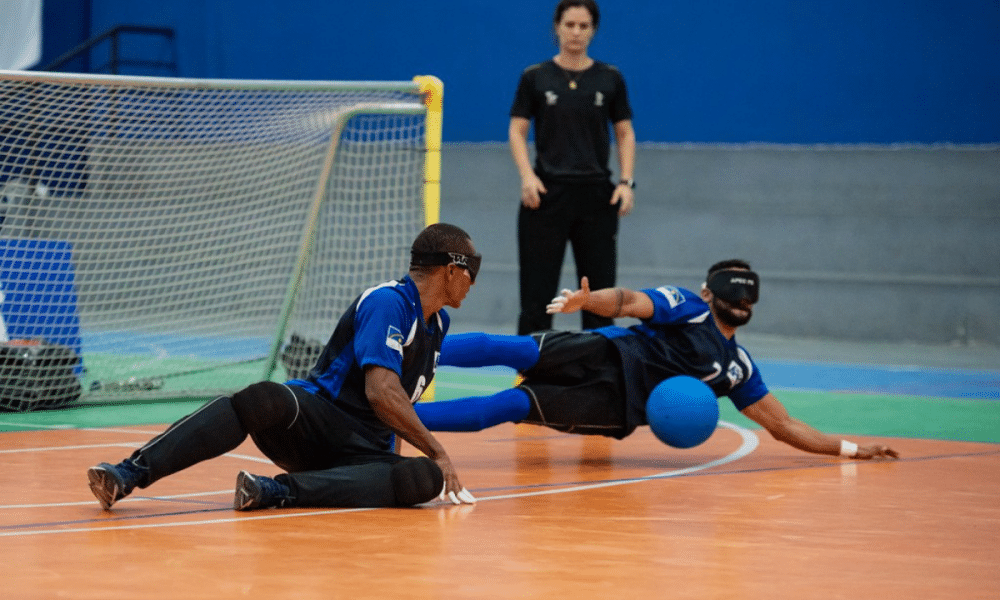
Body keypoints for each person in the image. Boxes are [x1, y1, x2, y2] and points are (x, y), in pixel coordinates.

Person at [87, 223, 481, 511]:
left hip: (361, 454)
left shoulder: (439, 324)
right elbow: (382, 392)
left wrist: (422, 461)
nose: (473, 282)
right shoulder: (388, 302)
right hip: (318, 421)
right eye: (471, 272)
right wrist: (438, 449)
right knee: (263, 398)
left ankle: (273, 491)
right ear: (450, 269)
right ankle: (127, 473)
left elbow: (397, 406)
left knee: (423, 479)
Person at [415, 259, 900, 461]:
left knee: (510, 406)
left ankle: (395, 417)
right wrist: (588, 302)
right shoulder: (689, 307)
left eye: (749, 295)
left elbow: (783, 424)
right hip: (606, 352)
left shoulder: (739, 368)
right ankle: (407, 350)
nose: (742, 299)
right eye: (732, 289)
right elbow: (628, 301)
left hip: (616, 408)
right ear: (711, 292)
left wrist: (850, 449)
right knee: (513, 349)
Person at [510, 0, 636, 335]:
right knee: (536, 297)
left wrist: (626, 182)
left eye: (583, 26)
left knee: (598, 296)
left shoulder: (610, 78)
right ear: (557, 27)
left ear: (593, 29)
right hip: (546, 195)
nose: (576, 33)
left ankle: (598, 375)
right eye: (569, 25)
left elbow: (624, 132)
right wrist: (527, 176)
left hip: (596, 197)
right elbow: (517, 129)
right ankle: (530, 373)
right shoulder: (535, 77)